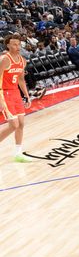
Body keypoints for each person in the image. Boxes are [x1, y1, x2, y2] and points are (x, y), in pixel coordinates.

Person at [0, 33, 33, 162]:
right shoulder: (4, 59)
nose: (17, 46)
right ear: (8, 45)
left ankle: (18, 153)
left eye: (18, 44)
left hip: (15, 93)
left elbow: (21, 80)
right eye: (14, 44)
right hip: (4, 93)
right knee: (13, 125)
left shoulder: (22, 60)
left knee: (21, 124)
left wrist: (27, 96)